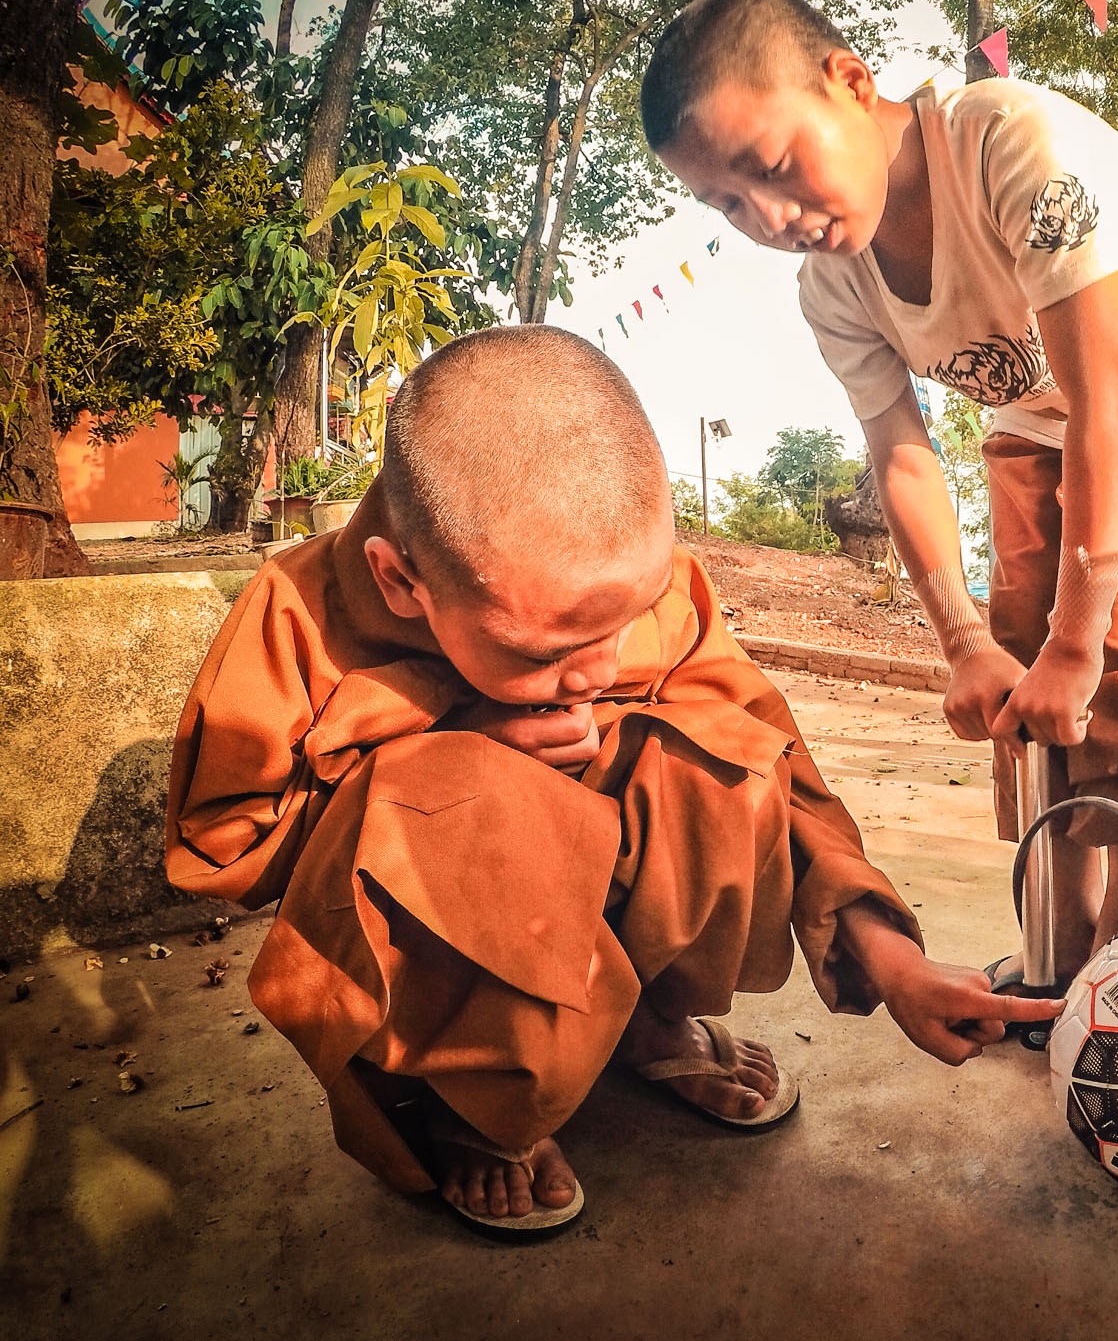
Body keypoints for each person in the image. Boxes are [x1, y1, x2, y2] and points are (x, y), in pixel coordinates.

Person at [165, 326, 1058, 1236]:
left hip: (597, 905)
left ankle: (645, 1026)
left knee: (713, 755)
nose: (597, 670)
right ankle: (461, 1097)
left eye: (623, 622)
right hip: (441, 924)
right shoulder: (295, 616)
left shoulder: (652, 591)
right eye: (545, 651)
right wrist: (459, 735)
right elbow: (224, 849)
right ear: (401, 582)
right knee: (454, 793)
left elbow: (777, 763)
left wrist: (891, 957)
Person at [640, 0, 1118, 1000]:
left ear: (851, 81)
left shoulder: (1018, 147)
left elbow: (1112, 405)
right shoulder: (831, 285)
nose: (772, 218)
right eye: (727, 204)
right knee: (1022, 664)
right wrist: (965, 640)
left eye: (775, 168)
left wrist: (1079, 642)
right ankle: (1059, 942)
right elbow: (903, 453)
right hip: (1031, 413)